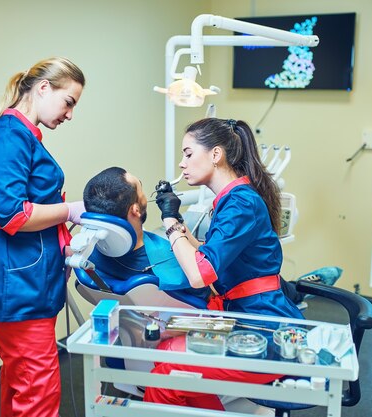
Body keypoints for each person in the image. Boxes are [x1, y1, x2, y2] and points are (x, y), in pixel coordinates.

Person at [144, 117, 304, 410]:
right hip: (244, 318)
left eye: (188, 153)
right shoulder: (232, 199)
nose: (182, 163)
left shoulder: (241, 203)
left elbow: (199, 274)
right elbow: (208, 253)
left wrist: (168, 222)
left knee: (167, 374)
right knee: (165, 351)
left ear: (216, 154)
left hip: (265, 329)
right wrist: (177, 220)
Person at [0, 57, 86, 417]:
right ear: (42, 89)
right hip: (18, 284)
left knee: (23, 387)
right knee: (37, 393)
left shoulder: (25, 137)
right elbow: (14, 214)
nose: (70, 115)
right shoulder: (9, 136)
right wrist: (71, 210)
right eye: (68, 102)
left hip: (30, 279)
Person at [81, 166, 209, 301]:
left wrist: (175, 218)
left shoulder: (90, 257)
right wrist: (170, 217)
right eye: (140, 187)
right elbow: (211, 285)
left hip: (130, 319)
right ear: (135, 210)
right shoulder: (168, 261)